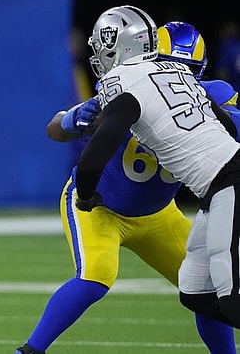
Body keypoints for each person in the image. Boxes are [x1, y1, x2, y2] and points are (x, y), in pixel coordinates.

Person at [15, 20, 238, 354]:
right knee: (96, 275)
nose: (174, 75)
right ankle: (30, 350)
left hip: (160, 213)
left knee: (205, 290)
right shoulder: (130, 86)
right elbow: (55, 128)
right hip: (101, 207)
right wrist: (73, 119)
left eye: (185, 70)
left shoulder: (212, 92)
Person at [72, 5, 240, 334]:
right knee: (195, 292)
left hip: (228, 181)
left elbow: (95, 153)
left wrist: (86, 196)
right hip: (217, 186)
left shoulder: (124, 83)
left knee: (231, 296)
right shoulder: (176, 75)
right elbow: (226, 126)